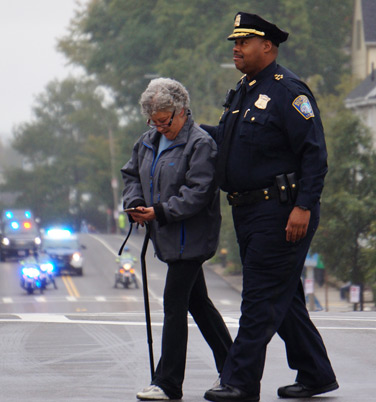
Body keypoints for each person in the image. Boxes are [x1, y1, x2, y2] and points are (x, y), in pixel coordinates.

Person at [201, 12, 338, 402]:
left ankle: (239, 383)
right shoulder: (244, 90)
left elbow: (315, 155)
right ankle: (315, 372)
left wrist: (304, 207)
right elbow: (226, 141)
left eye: (244, 42)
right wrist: (189, 128)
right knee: (284, 299)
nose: (236, 49)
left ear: (268, 46)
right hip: (248, 212)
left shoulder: (288, 91)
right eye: (234, 43)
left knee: (259, 298)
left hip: (281, 212)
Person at [122, 78, 233, 401]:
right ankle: (233, 367)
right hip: (168, 236)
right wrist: (134, 204)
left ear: (182, 111)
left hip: (192, 238)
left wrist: (158, 211)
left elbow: (198, 192)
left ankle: (168, 383)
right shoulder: (147, 141)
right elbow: (131, 175)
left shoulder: (200, 144)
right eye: (153, 121)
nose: (159, 128)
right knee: (198, 303)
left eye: (164, 121)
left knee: (174, 303)